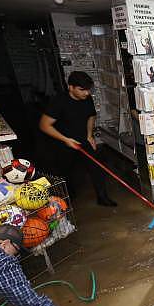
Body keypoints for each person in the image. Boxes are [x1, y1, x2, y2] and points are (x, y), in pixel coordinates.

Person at [39, 71, 116, 207]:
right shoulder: (59, 101)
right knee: (65, 173)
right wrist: (66, 140)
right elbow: (44, 125)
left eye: (88, 90)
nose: (86, 93)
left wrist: (89, 135)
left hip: (82, 139)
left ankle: (102, 197)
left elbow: (91, 116)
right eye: (82, 90)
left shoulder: (87, 99)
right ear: (71, 87)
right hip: (62, 142)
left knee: (96, 167)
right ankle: (67, 200)